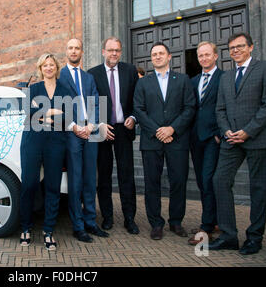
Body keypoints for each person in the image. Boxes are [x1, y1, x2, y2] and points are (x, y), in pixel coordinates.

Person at [209, 32, 266, 255]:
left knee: (259, 188)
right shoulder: (227, 77)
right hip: (231, 139)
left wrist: (248, 131)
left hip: (257, 137)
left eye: (240, 46)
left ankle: (254, 238)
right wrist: (226, 130)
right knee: (220, 180)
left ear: (251, 47)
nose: (235, 51)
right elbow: (219, 108)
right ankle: (229, 236)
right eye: (232, 48)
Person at [133, 42, 196, 240]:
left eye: (161, 53)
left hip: (177, 140)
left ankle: (176, 221)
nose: (157, 56)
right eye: (154, 54)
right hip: (152, 141)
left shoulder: (183, 80)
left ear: (169, 57)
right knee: (152, 183)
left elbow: (190, 107)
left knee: (178, 181)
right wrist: (157, 130)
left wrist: (172, 129)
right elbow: (138, 109)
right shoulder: (143, 82)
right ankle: (156, 223)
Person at [58, 38, 108, 243]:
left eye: (77, 48)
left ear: (82, 52)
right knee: (76, 180)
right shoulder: (60, 76)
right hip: (72, 133)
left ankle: (90, 222)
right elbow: (58, 105)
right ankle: (78, 226)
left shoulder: (88, 78)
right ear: (66, 51)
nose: (73, 51)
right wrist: (75, 127)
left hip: (91, 131)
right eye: (70, 48)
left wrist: (92, 126)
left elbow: (97, 103)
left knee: (90, 179)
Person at [87, 37, 140, 234]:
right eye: (110, 50)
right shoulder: (92, 74)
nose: (114, 54)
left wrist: (133, 117)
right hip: (102, 130)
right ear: (103, 51)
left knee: (127, 175)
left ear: (121, 51)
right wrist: (99, 124)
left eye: (117, 50)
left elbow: (137, 99)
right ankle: (107, 217)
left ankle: (129, 219)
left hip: (124, 129)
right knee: (104, 177)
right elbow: (90, 103)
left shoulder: (130, 71)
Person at [19, 53, 68, 251]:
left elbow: (67, 113)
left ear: (56, 68)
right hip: (32, 140)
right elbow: (26, 111)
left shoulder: (64, 89)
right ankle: (25, 227)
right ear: (40, 68)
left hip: (56, 142)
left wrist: (40, 112)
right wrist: (51, 112)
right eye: (45, 65)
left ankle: (48, 230)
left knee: (53, 187)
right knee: (29, 184)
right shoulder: (33, 89)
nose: (48, 68)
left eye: (51, 65)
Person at [187, 42, 224, 246]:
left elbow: (228, 105)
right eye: (200, 55)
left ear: (216, 56)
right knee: (202, 182)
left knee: (209, 179)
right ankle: (214, 220)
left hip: (213, 138)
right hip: (196, 139)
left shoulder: (224, 78)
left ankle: (207, 228)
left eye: (207, 54)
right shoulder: (194, 81)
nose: (203, 58)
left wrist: (220, 133)